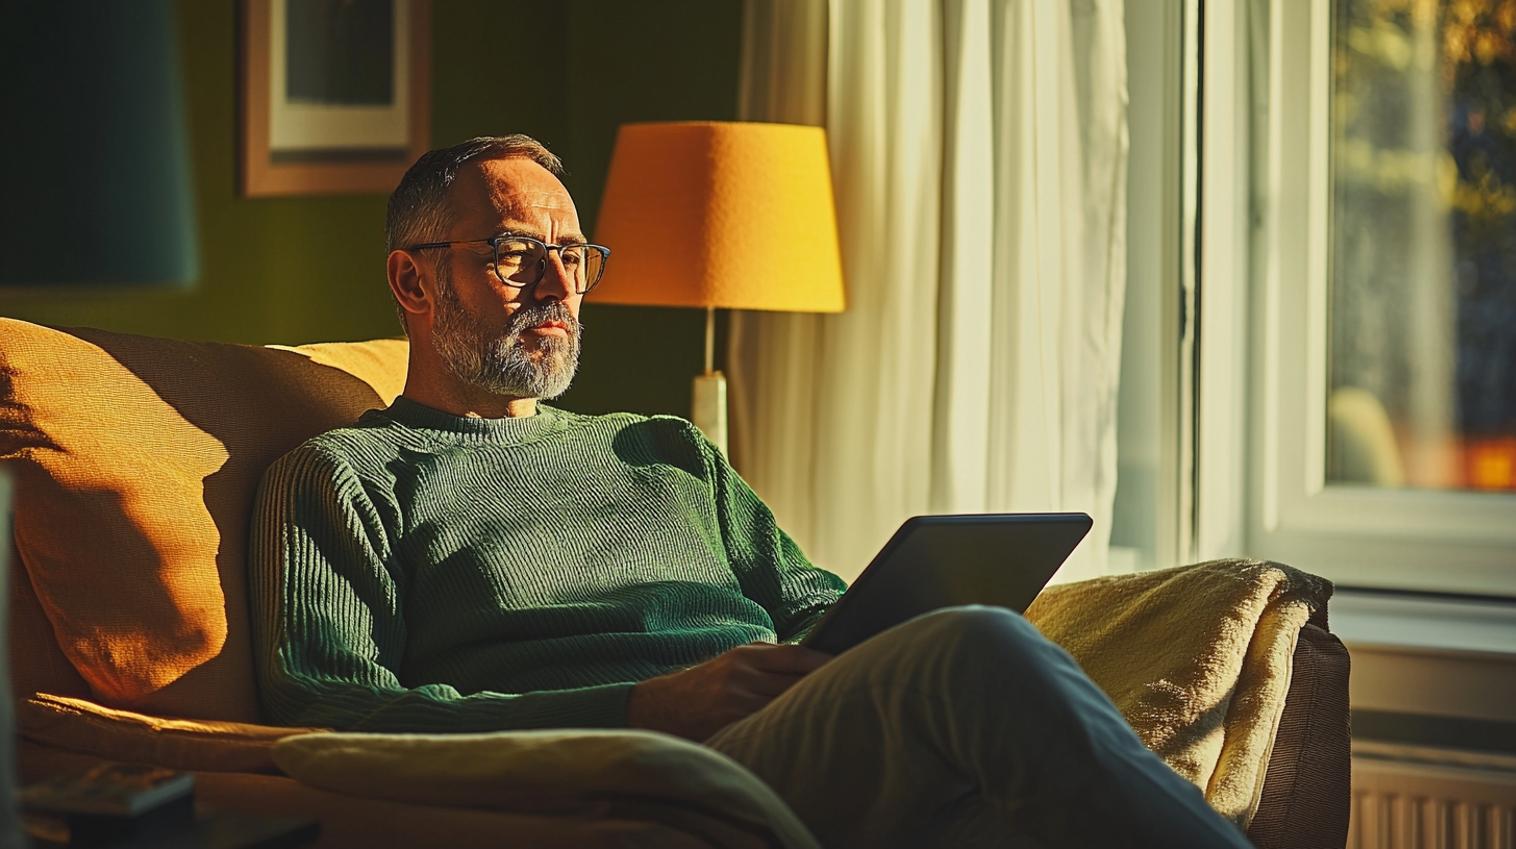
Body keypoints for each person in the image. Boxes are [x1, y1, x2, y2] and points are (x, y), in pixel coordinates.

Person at [249, 135, 1252, 849]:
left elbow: (810, 600)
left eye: (571, 254)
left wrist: (875, 625)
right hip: (654, 771)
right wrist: (650, 704)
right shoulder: (344, 474)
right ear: (413, 284)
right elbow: (329, 713)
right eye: (515, 254)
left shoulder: (665, 450)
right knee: (980, 651)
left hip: (808, 744)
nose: (557, 287)